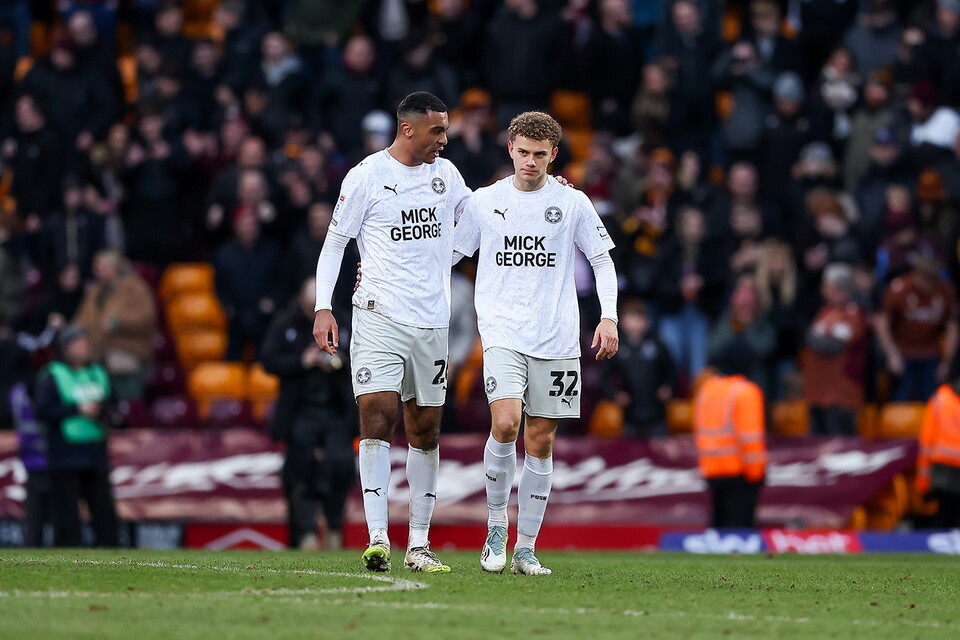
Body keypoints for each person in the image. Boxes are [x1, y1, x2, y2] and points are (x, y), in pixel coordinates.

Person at [454, 111, 619, 575]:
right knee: (506, 425)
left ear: (554, 155)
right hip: (504, 333)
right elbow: (447, 252)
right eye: (523, 152)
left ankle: (526, 546)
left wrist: (608, 317)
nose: (530, 161)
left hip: (559, 337)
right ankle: (495, 526)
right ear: (510, 149)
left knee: (541, 441)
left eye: (539, 155)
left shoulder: (572, 203)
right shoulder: (486, 202)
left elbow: (602, 262)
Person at [312, 92, 471, 573]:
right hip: (378, 315)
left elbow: (480, 222)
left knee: (425, 430)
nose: (444, 139)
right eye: (437, 131)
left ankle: (419, 545)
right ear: (408, 130)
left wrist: (543, 188)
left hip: (431, 322)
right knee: (376, 418)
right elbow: (335, 244)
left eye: (445, 130)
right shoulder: (366, 177)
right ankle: (378, 536)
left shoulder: (448, 176)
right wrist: (324, 307)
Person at [261, 278, 355, 550]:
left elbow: (362, 359)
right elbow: (267, 359)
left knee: (340, 468)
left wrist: (338, 361)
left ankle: (334, 529)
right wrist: (301, 361)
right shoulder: (286, 324)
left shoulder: (345, 323)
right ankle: (304, 535)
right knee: (300, 473)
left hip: (337, 411)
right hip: (300, 412)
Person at [33, 324, 121, 547]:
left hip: (95, 452)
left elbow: (116, 409)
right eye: (78, 344)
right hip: (65, 453)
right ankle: (68, 552)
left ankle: (110, 552)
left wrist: (101, 413)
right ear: (66, 348)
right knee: (66, 512)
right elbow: (42, 411)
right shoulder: (52, 375)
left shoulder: (99, 373)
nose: (84, 348)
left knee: (103, 510)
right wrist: (76, 409)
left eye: (86, 344)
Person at [693, 339, 767, 528]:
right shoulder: (746, 392)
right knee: (739, 531)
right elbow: (750, 438)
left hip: (711, 469)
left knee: (718, 528)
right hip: (739, 471)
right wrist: (756, 473)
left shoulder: (706, 389)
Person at [73, 250, 157, 400]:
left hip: (127, 350)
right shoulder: (95, 290)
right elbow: (83, 318)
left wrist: (119, 322)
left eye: (99, 268)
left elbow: (145, 317)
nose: (96, 272)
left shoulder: (135, 287)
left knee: (126, 396)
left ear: (112, 267)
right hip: (97, 351)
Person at [875, 253, 959, 402]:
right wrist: (891, 353)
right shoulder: (899, 288)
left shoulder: (945, 291)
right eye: (926, 278)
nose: (930, 283)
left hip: (931, 352)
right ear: (916, 274)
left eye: (933, 278)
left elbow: (952, 326)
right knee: (902, 397)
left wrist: (947, 361)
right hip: (903, 351)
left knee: (932, 398)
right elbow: (882, 321)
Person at [801, 263, 868, 435]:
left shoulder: (853, 313)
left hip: (841, 394)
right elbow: (810, 337)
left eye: (828, 286)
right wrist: (819, 336)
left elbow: (835, 344)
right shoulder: (825, 311)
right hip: (817, 393)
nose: (824, 289)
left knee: (840, 445)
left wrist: (818, 336)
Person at [602, 299, 675, 438]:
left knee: (659, 450)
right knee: (630, 451)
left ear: (647, 321)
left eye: (638, 318)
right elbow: (605, 376)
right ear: (622, 322)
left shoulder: (657, 345)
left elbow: (671, 370)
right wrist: (615, 394)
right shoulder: (617, 347)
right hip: (630, 411)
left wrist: (668, 387)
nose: (635, 323)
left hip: (656, 409)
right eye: (630, 317)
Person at [916, 377, 960, 527]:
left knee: (944, 515)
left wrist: (923, 482)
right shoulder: (940, 398)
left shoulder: (940, 398)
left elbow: (926, 441)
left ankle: (940, 545)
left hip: (942, 470)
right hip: (944, 469)